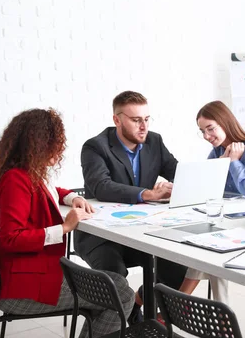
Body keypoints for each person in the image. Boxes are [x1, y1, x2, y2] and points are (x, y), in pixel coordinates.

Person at [0, 108, 134, 338]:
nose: (60, 149)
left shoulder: (31, 173)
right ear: (39, 143)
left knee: (116, 288)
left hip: (35, 274)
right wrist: (64, 227)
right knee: (120, 292)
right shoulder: (15, 180)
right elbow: (11, 239)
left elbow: (52, 191)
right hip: (22, 290)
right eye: (55, 142)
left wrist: (74, 197)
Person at [76, 91, 188, 324]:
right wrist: (148, 194)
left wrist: (188, 184)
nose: (143, 126)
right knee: (114, 276)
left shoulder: (154, 142)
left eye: (147, 119)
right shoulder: (95, 147)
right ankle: (110, 328)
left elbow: (180, 173)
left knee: (178, 260)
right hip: (102, 236)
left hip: (140, 231)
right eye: (136, 120)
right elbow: (101, 186)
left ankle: (139, 310)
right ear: (117, 120)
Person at [177, 100, 245, 300]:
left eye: (210, 129)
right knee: (208, 249)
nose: (206, 136)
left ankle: (181, 302)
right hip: (228, 220)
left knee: (209, 251)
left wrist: (234, 162)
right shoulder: (219, 150)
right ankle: (220, 318)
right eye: (202, 131)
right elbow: (205, 186)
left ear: (225, 122)